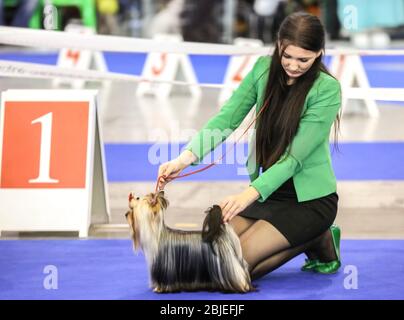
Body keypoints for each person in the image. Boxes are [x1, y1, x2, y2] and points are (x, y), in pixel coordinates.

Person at [158, 12, 342, 280]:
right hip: (268, 195)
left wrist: (246, 195)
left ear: (319, 53)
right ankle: (315, 237)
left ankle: (317, 235)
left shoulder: (326, 89)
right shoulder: (261, 70)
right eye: (287, 56)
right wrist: (183, 158)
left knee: (236, 270)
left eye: (304, 59)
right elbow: (226, 119)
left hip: (309, 202)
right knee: (213, 256)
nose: (293, 65)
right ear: (279, 45)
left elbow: (293, 158)